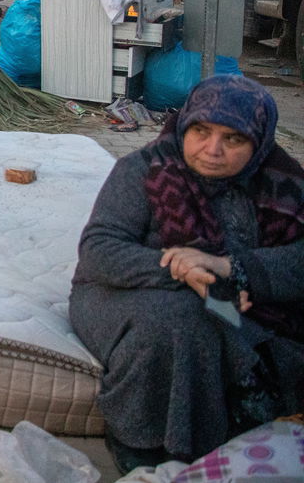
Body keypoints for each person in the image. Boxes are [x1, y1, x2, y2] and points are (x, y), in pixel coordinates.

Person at [69, 75, 304, 472]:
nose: (212, 150)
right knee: (178, 321)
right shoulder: (144, 170)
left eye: (233, 139)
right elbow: (99, 251)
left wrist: (231, 269)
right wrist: (185, 271)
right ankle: (142, 445)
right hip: (121, 291)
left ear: (258, 142)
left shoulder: (283, 183)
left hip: (229, 293)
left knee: (238, 328)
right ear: (185, 126)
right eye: (201, 131)